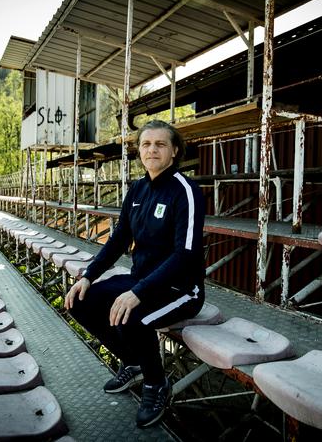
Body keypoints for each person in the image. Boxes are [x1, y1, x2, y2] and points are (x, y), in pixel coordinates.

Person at [65, 119, 206, 428]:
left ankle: (157, 385)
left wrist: (137, 292)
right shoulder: (138, 189)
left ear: (174, 151)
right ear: (139, 151)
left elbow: (185, 255)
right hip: (142, 281)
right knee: (81, 300)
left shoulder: (186, 191)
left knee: (133, 314)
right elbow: (117, 240)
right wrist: (88, 275)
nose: (152, 150)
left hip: (180, 289)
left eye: (160, 144)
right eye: (146, 144)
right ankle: (133, 362)